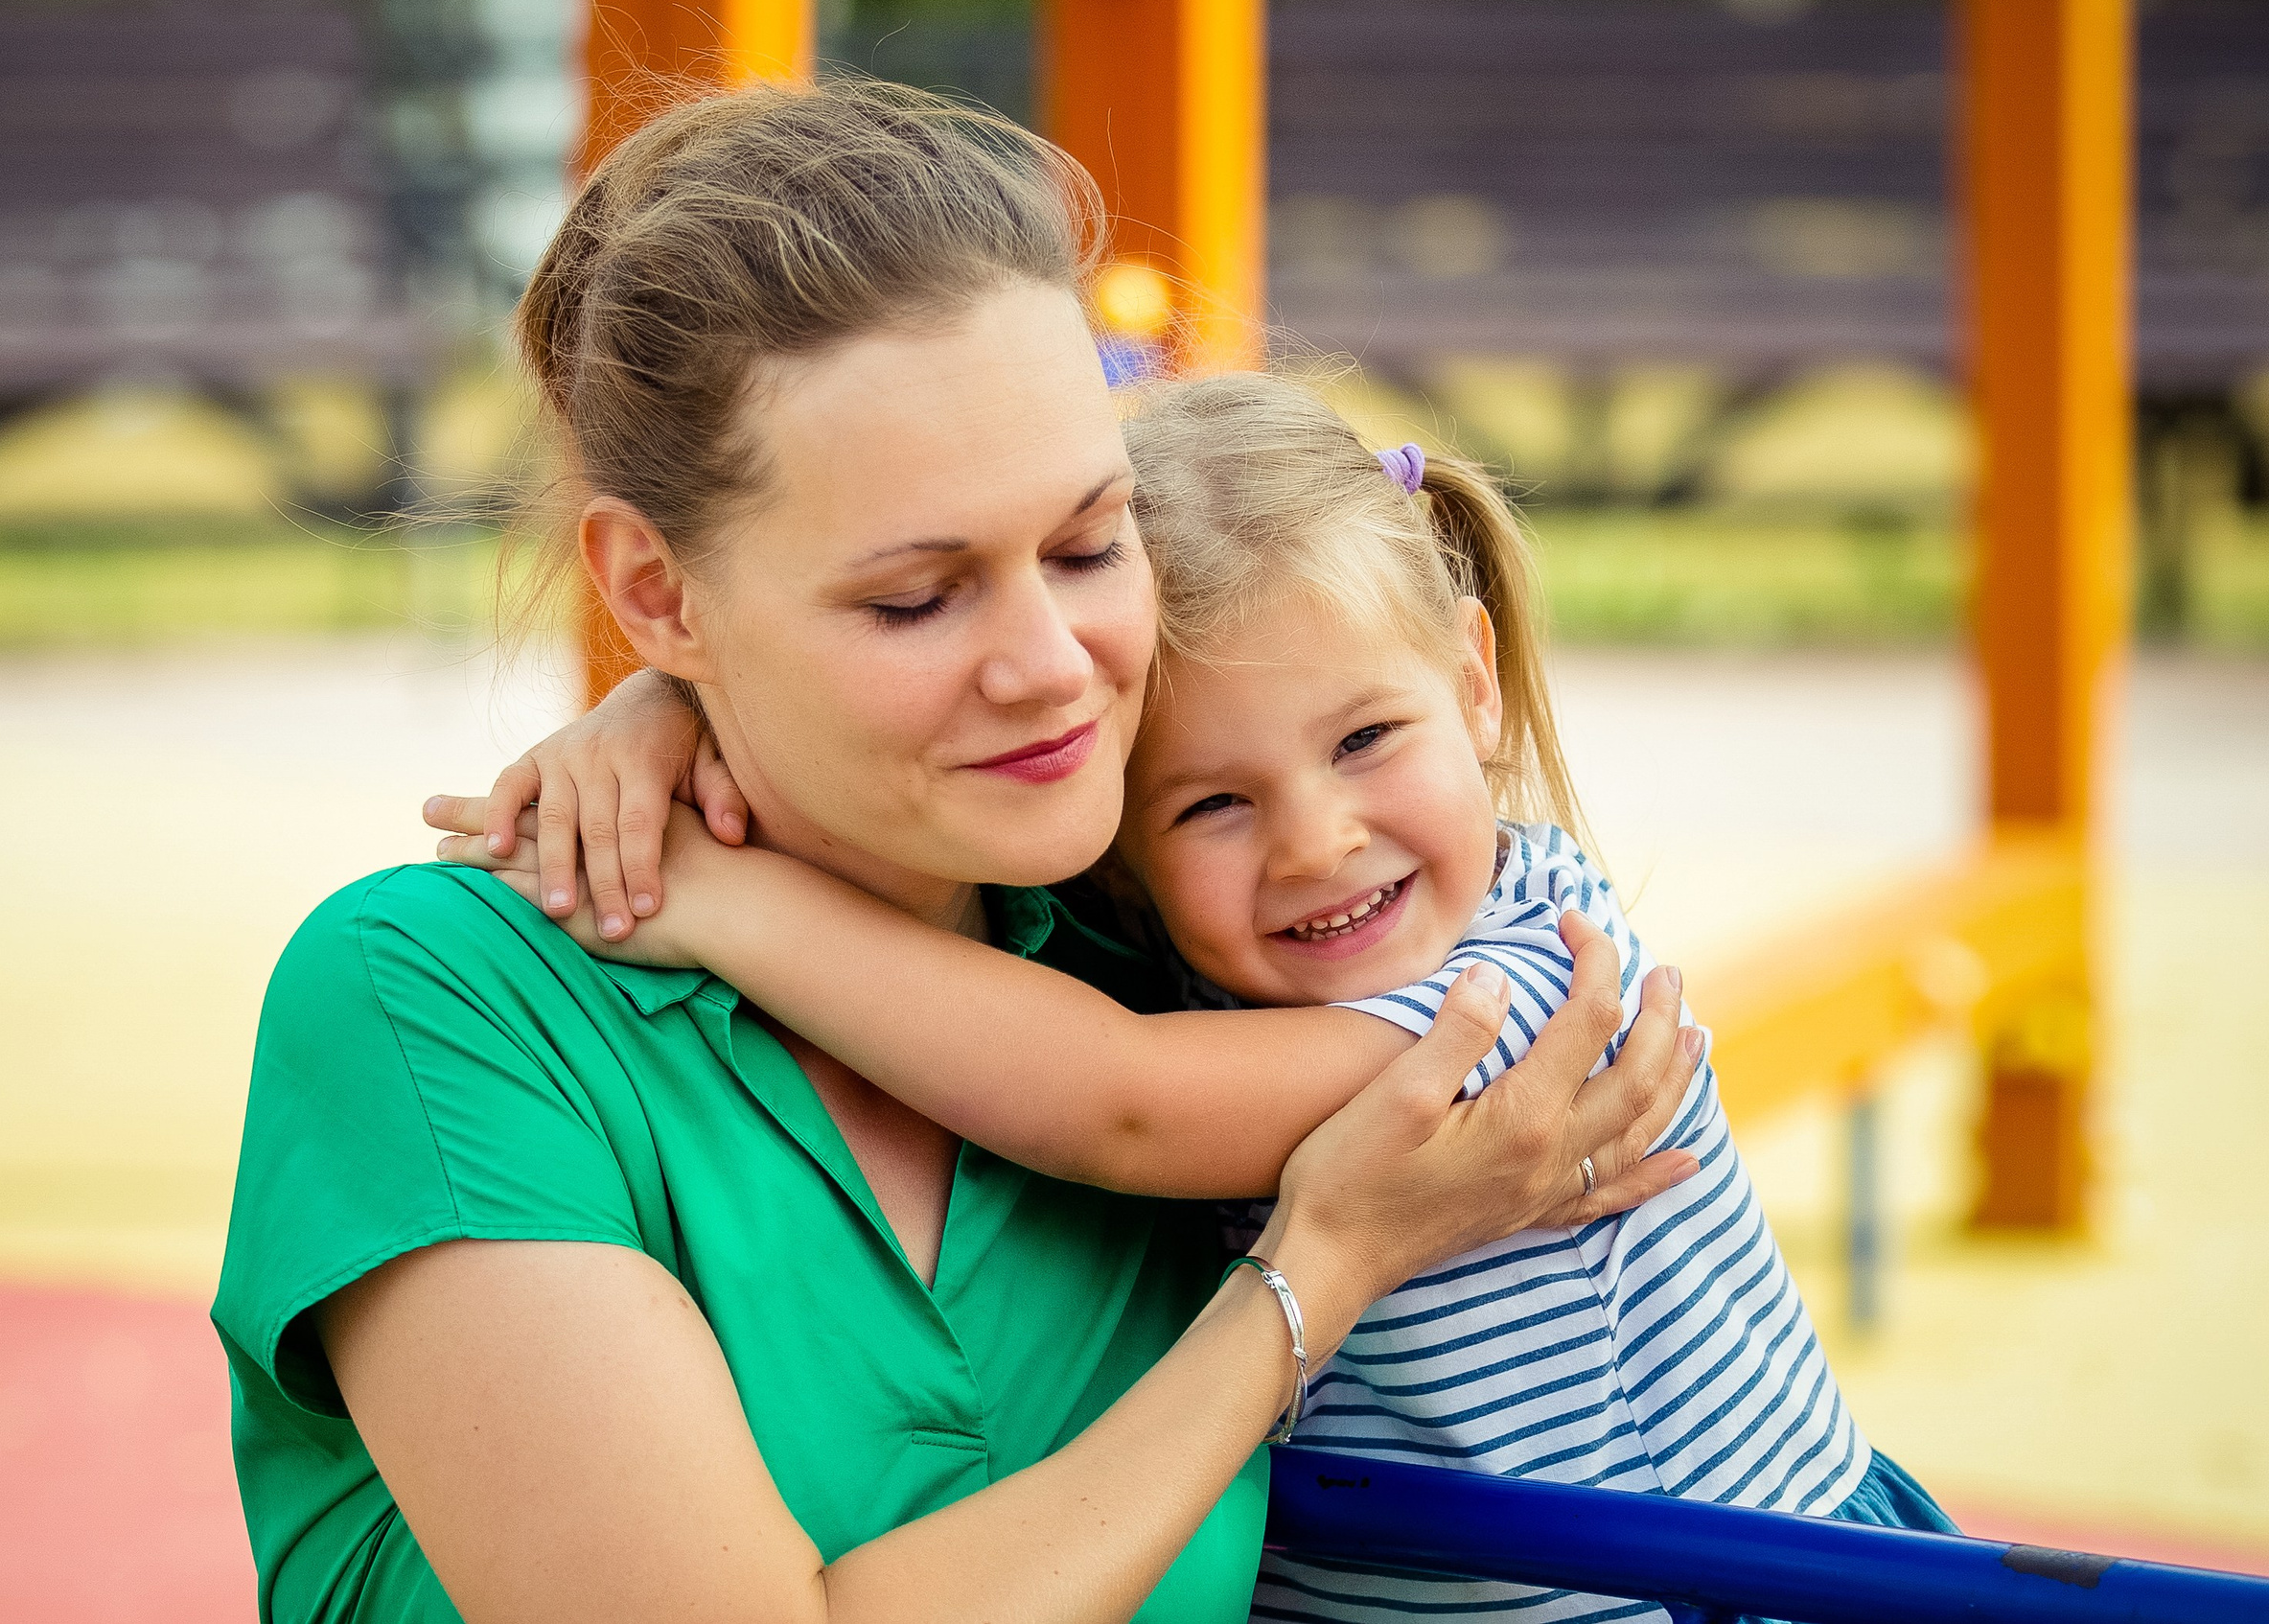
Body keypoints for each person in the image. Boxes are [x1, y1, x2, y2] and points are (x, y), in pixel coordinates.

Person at [215, 81, 1705, 1624]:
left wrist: (680, 711)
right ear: (655, 591)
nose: (1054, 667)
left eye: (1089, 544)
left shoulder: (1168, 925)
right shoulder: (431, 1002)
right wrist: (1304, 1282)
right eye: (916, 599)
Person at [432, 376, 1957, 1623]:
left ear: (1474, 681)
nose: (1316, 841)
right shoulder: (1195, 974)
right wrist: (670, 702)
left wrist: (717, 899)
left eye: (1366, 739)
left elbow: (1118, 1101)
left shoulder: (1521, 989)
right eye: (1214, 804)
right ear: (1117, 836)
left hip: (1718, 1588)